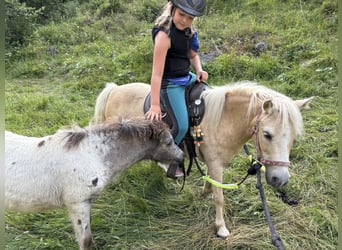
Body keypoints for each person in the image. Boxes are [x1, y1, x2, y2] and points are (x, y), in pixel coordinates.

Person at [145, 0, 208, 178]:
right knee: (180, 126)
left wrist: (199, 70)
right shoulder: (164, 35)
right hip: (171, 83)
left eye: (190, 18)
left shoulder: (189, 32)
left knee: (210, 99)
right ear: (172, 9)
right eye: (181, 14)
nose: (184, 21)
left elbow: (193, 55)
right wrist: (155, 105)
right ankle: (164, 156)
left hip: (186, 77)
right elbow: (156, 74)